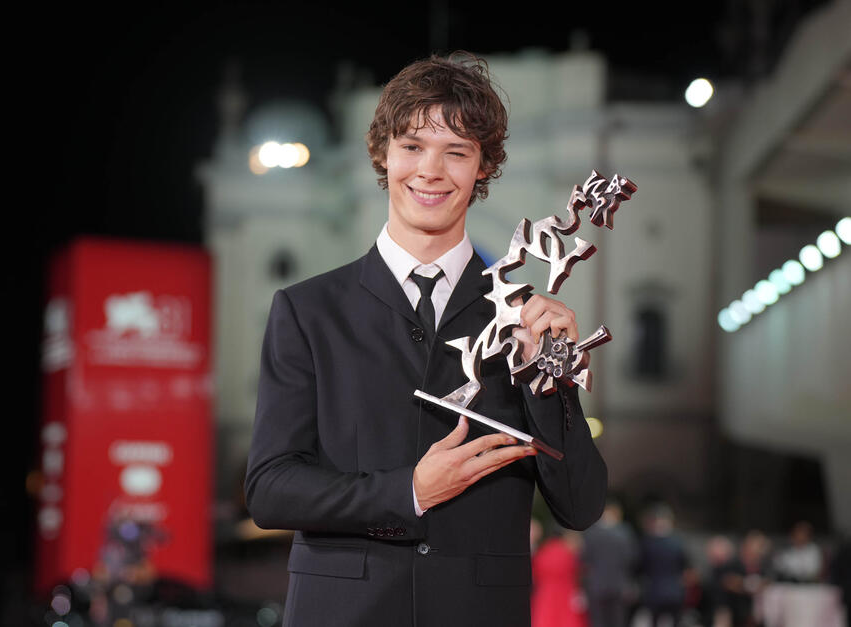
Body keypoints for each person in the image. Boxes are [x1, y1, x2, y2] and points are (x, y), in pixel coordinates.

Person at [245, 52, 607, 627]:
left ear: (482, 168)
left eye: (457, 151)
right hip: (342, 613)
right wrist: (408, 491)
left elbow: (581, 505)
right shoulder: (308, 311)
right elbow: (269, 489)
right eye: (413, 146)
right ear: (382, 154)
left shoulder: (522, 319)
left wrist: (550, 375)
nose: (431, 171)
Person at [581, 498, 638, 627]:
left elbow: (585, 559)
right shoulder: (625, 533)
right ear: (617, 513)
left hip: (596, 584)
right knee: (618, 621)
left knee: (597, 621)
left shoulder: (591, 533)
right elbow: (632, 558)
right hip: (619, 585)